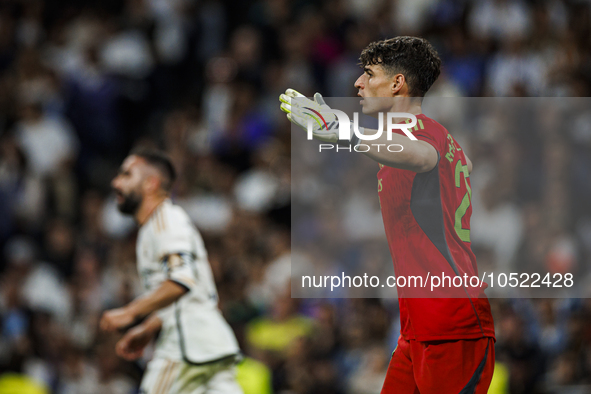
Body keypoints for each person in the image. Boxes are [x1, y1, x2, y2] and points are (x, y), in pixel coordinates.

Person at [280, 36, 495, 393]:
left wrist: (343, 131)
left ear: (397, 83)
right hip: (417, 328)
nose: (357, 84)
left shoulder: (420, 137)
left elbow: (422, 156)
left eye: (368, 74)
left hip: (453, 326)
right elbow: (461, 164)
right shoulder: (429, 137)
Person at [100, 148, 242, 394]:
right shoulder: (156, 226)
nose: (116, 182)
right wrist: (148, 328)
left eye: (126, 175)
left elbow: (181, 281)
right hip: (210, 343)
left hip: (187, 343)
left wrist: (131, 312)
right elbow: (187, 295)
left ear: (150, 184)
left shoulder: (166, 222)